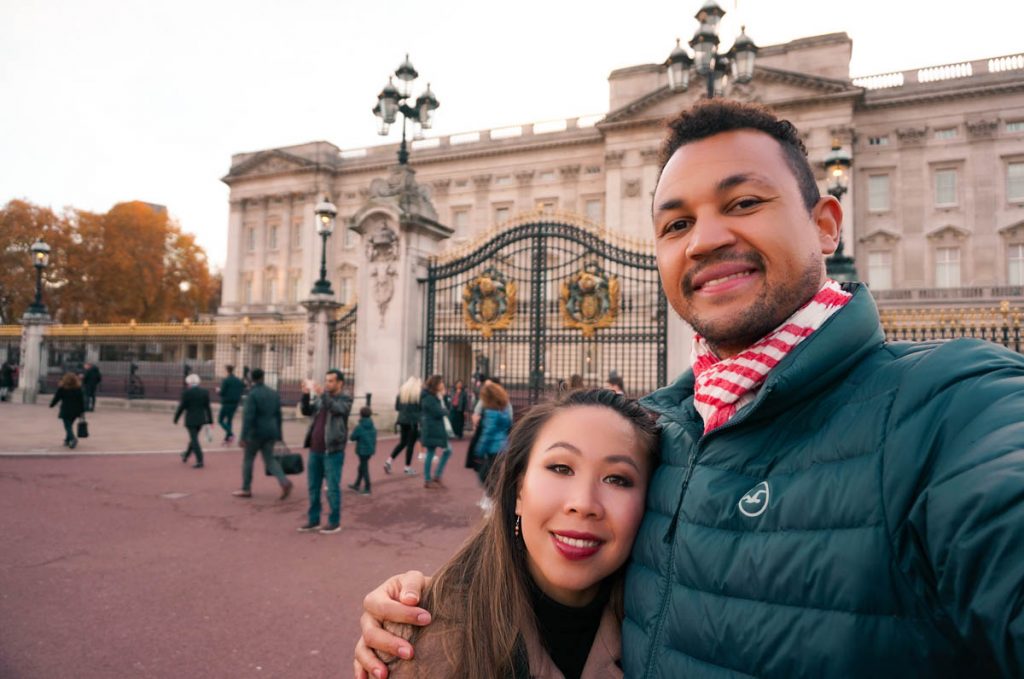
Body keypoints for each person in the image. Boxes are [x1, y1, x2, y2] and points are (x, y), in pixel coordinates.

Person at [355, 99, 1024, 678]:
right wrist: (426, 607)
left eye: (744, 203)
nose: (705, 239)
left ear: (825, 223)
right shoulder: (655, 431)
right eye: (676, 224)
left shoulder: (952, 406)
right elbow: (549, 572)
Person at [370, 389, 658, 679]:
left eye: (617, 479)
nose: (583, 504)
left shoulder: (675, 636)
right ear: (519, 490)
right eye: (561, 467)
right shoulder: (419, 635)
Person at [298, 369, 352, 534]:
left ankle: (334, 522)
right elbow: (307, 411)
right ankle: (314, 520)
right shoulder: (323, 399)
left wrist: (323, 395)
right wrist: (305, 395)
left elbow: (337, 410)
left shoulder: (345, 398)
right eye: (326, 380)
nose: (327, 383)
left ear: (339, 383)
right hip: (315, 449)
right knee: (313, 487)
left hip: (332, 451)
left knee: (332, 487)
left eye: (331, 381)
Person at [235, 367, 292, 500]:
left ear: (251, 379)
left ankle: (246, 488)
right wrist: (279, 435)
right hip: (271, 431)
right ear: (263, 377)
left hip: (255, 433)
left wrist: (243, 436)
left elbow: (248, 417)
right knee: (270, 460)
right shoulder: (273, 393)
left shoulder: (252, 395)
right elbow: (279, 416)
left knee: (248, 459)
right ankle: (284, 481)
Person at [474, 381, 512, 492]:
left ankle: (493, 500)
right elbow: (508, 425)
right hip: (504, 446)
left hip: (493, 448)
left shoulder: (491, 412)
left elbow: (488, 433)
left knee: (485, 477)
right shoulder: (504, 410)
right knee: (496, 476)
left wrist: (479, 450)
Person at [173, 373, 213, 468]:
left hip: (190, 419)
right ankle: (186, 455)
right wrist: (210, 420)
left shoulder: (186, 393)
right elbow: (207, 407)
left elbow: (182, 407)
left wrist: (176, 418)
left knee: (194, 440)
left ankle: (200, 460)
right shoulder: (204, 392)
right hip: (201, 419)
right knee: (193, 438)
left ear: (189, 383)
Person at [385, 377, 421, 476]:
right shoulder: (417, 395)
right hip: (413, 422)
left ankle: (389, 461)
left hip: (402, 420)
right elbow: (421, 409)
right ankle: (407, 467)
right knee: (410, 445)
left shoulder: (401, 394)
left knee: (402, 443)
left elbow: (397, 407)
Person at [419, 375, 451, 489]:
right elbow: (438, 412)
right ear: (436, 384)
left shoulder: (436, 396)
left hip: (437, 428)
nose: (443, 384)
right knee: (431, 453)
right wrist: (445, 410)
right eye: (441, 382)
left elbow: (444, 409)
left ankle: (436, 475)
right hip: (432, 428)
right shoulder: (428, 397)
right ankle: (429, 479)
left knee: (445, 451)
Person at [49, 372, 85, 448]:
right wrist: (82, 411)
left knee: (67, 426)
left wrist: (52, 405)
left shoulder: (62, 388)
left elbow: (57, 398)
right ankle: (67, 440)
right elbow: (81, 401)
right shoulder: (78, 388)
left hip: (66, 409)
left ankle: (72, 438)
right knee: (69, 425)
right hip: (76, 410)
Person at [348, 406, 377, 495]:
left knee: (364, 469)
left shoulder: (359, 427)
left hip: (362, 450)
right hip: (370, 450)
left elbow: (352, 438)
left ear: (360, 415)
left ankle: (367, 487)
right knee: (361, 467)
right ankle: (357, 484)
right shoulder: (373, 427)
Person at [216, 364, 244, 443]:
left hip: (227, 402)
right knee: (229, 420)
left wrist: (218, 391)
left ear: (227, 371)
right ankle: (227, 438)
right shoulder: (238, 380)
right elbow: (242, 388)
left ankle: (230, 434)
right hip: (235, 403)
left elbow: (222, 392)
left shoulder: (226, 380)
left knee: (220, 420)